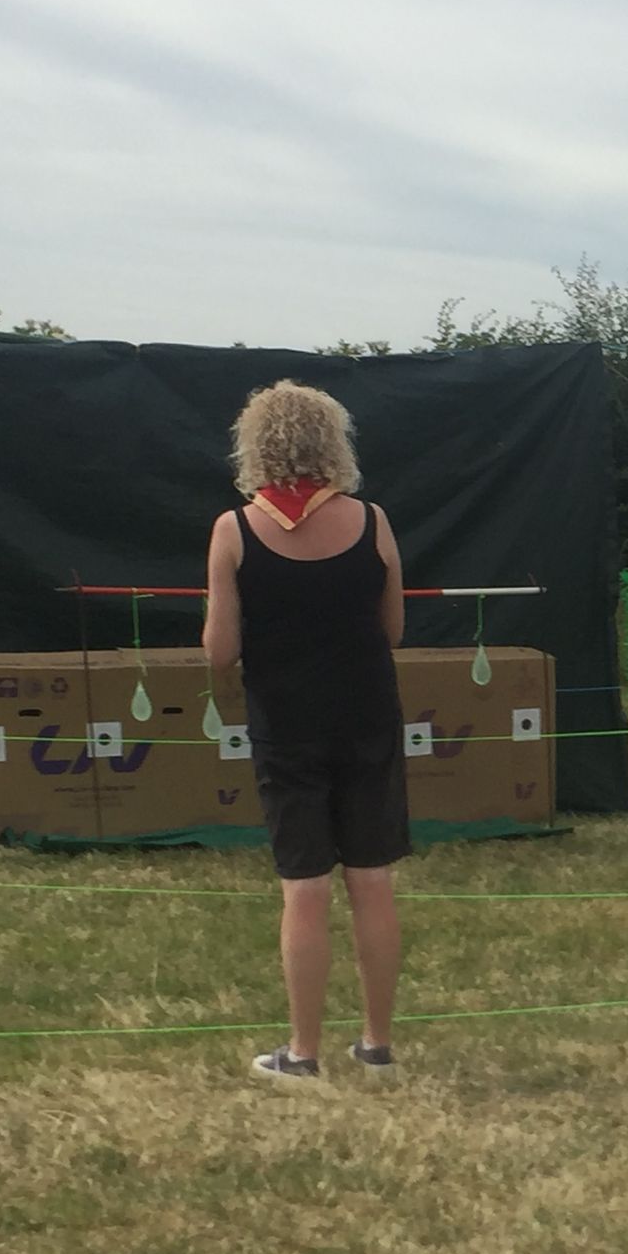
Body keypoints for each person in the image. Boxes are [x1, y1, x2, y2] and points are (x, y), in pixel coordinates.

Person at [203, 380, 409, 1079]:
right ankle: (377, 1046)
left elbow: (220, 650)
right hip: (368, 716)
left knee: (306, 887)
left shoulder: (233, 529)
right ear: (333, 443)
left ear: (255, 445)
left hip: (287, 724)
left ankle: (304, 1053)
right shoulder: (373, 521)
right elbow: (394, 630)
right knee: (372, 878)